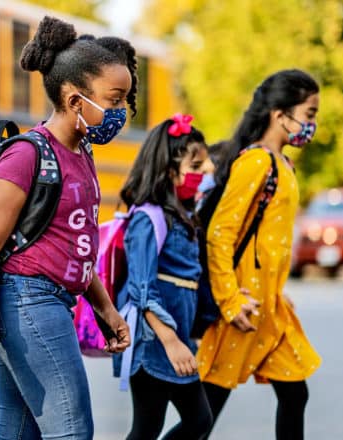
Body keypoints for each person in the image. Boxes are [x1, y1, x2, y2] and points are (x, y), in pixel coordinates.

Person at [0, 16, 134, 440]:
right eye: (114, 100)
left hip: (51, 301)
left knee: (17, 437)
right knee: (71, 432)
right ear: (75, 101)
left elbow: (76, 247)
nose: (121, 112)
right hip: (25, 301)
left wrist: (105, 309)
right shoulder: (26, 155)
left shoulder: (82, 155)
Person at [171, 69, 322, 440]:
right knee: (203, 416)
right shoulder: (256, 163)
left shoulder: (282, 164)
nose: (312, 124)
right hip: (242, 308)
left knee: (294, 391)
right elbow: (221, 233)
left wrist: (275, 288)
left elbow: (265, 242)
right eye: (310, 113)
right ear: (279, 115)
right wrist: (230, 300)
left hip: (269, 308)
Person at [113, 114, 213, 440]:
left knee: (168, 424)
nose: (208, 171)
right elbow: (143, 288)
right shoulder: (148, 218)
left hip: (174, 339)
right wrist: (172, 342)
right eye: (197, 167)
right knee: (179, 422)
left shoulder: (184, 218)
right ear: (170, 172)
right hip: (154, 341)